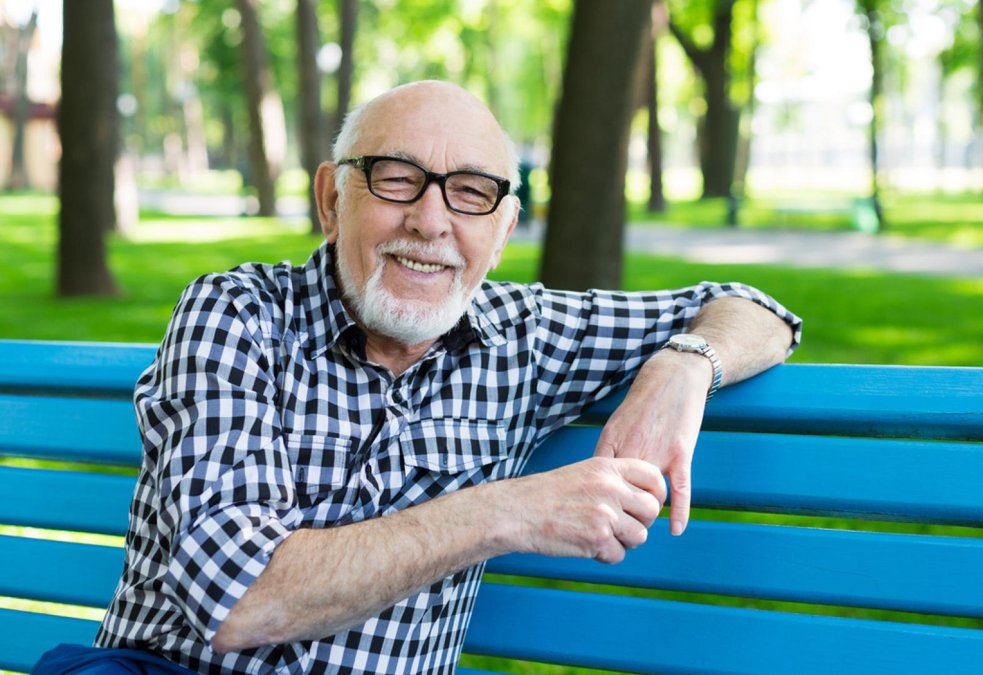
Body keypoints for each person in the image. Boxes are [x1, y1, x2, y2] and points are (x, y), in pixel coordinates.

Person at [72, 81, 800, 673]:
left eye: (472, 193)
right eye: (396, 179)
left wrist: (685, 364)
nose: (430, 220)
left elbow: (758, 311)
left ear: (505, 228)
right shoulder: (237, 314)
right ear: (331, 200)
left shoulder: (529, 336)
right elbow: (238, 599)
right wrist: (510, 511)